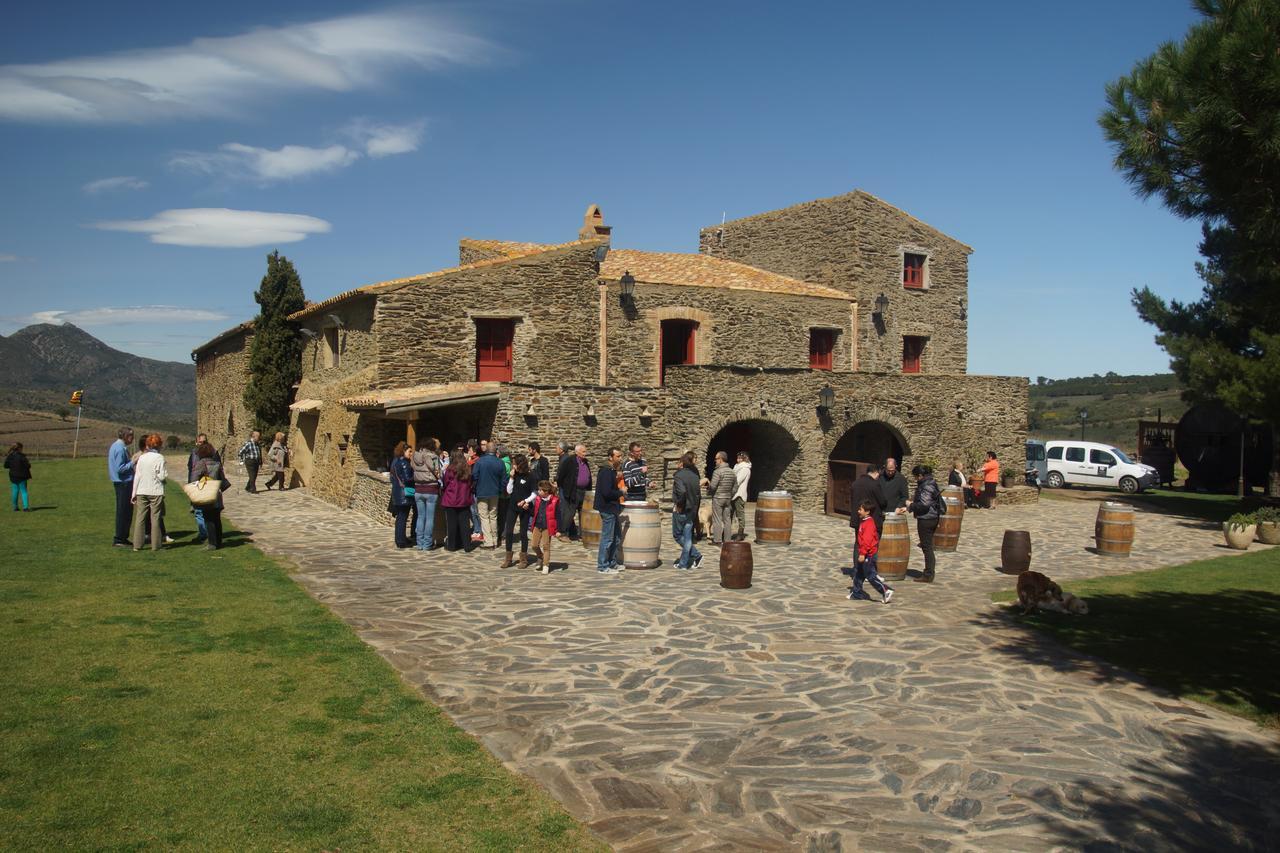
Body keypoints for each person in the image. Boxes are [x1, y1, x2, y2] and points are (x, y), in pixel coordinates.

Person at [904, 464, 944, 583]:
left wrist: (910, 506)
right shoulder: (931, 482)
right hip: (932, 517)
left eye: (916, 477)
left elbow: (924, 504)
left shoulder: (926, 486)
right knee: (928, 546)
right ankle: (929, 572)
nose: (916, 479)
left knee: (927, 547)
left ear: (921, 476)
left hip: (927, 519)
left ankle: (928, 574)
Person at [850, 498, 893, 603]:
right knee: (858, 575)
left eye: (860, 510)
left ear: (867, 511)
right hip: (865, 553)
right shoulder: (864, 522)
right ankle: (857, 593)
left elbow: (867, 541)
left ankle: (885, 590)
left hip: (868, 554)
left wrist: (863, 553)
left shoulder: (869, 524)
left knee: (871, 576)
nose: (858, 511)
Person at [190, 441, 230, 549]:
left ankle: (212, 543)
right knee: (217, 518)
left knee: (208, 519)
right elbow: (223, 480)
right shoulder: (217, 464)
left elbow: (194, 479)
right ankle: (219, 541)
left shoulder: (201, 464)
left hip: (206, 493)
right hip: (217, 493)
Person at [130, 434, 167, 551]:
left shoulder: (142, 457)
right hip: (155, 490)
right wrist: (165, 475)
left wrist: (133, 493)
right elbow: (161, 476)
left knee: (140, 518)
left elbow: (138, 475)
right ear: (159, 445)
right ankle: (156, 545)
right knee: (155, 518)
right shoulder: (159, 458)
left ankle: (137, 545)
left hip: (141, 490)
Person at [670, 452, 704, 570]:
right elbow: (698, 494)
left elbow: (682, 492)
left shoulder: (679, 476)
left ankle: (695, 555)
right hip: (692, 510)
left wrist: (679, 504)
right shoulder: (695, 476)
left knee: (678, 535)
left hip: (682, 509)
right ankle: (684, 564)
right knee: (688, 536)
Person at [594, 447, 625, 574]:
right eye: (618, 456)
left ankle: (612, 563)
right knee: (607, 538)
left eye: (620, 456)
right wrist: (621, 492)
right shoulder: (606, 472)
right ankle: (602, 565)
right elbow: (606, 492)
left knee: (617, 537)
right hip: (607, 508)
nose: (620, 458)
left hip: (613, 508)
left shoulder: (612, 471)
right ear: (610, 457)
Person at [502, 453, 536, 568]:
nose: (513, 466)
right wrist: (511, 478)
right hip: (513, 506)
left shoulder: (530, 476)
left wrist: (526, 501)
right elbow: (509, 491)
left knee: (523, 533)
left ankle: (523, 559)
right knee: (509, 532)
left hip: (525, 507)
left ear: (520, 464)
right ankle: (508, 558)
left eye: (515, 464)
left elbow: (534, 493)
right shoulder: (514, 475)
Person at [441, 450, 475, 552]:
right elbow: (470, 483)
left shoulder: (450, 470)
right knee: (464, 524)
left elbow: (445, 482)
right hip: (464, 499)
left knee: (452, 524)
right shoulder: (467, 470)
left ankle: (452, 545)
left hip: (451, 499)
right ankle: (467, 545)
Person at [471, 443, 505, 550]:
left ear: (486, 450)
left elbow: (474, 476)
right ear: (495, 451)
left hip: (482, 492)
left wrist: (474, 489)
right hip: (494, 492)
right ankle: (495, 539)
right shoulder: (500, 462)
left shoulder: (480, 461)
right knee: (493, 516)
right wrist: (500, 490)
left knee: (484, 517)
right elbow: (504, 479)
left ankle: (489, 542)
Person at [411, 438, 443, 551]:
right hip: (431, 489)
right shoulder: (433, 456)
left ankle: (419, 543)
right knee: (429, 518)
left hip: (418, 488)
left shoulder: (415, 456)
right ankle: (427, 543)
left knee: (420, 517)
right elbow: (438, 471)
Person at [556, 443, 592, 541]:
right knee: (570, 512)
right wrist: (564, 488)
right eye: (583, 451)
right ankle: (563, 533)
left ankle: (581, 534)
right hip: (573, 491)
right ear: (577, 452)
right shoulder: (569, 461)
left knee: (583, 513)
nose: (585, 453)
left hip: (583, 491)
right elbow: (561, 476)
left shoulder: (585, 462)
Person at [189, 433, 220, 542]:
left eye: (204, 442)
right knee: (214, 516)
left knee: (207, 517)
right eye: (200, 442)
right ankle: (216, 539)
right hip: (214, 490)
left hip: (205, 490)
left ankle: (209, 539)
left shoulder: (203, 462)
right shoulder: (216, 463)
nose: (202, 444)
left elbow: (193, 476)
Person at [108, 427, 136, 547]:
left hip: (121, 482)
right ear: (125, 436)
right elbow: (120, 469)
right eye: (131, 436)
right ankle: (119, 538)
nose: (132, 438)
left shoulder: (116, 446)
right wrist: (133, 462)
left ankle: (123, 537)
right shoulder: (120, 449)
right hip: (123, 483)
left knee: (125, 511)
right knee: (123, 511)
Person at [389, 441, 415, 549]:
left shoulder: (395, 461)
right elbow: (407, 478)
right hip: (404, 494)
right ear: (403, 451)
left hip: (397, 493)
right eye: (409, 451)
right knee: (403, 518)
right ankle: (401, 541)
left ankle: (400, 538)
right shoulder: (404, 462)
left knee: (400, 518)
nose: (411, 454)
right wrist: (415, 475)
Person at [529, 480, 558, 574]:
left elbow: (558, 515)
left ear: (546, 491)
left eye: (540, 490)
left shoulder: (554, 500)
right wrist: (528, 507)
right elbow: (534, 512)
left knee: (546, 546)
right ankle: (540, 557)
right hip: (537, 525)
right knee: (534, 545)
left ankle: (546, 565)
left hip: (547, 526)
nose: (538, 491)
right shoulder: (538, 499)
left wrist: (559, 529)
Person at [706, 451, 735, 545]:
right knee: (727, 520)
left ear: (721, 459)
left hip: (718, 498)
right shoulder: (732, 471)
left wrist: (708, 490)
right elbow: (736, 486)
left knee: (717, 519)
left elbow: (713, 486)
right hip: (728, 498)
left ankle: (717, 540)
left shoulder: (717, 471)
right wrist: (730, 495)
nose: (715, 461)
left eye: (716, 459)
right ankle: (727, 540)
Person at [849, 463, 886, 534]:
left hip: (858, 518)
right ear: (876, 472)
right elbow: (882, 502)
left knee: (859, 541)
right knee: (872, 542)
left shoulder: (855, 483)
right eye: (879, 474)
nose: (878, 476)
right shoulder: (875, 484)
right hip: (872, 520)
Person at [731, 451, 752, 540]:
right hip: (732, 493)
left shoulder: (745, 469)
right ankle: (727, 532)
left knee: (740, 514)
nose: (738, 460)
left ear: (744, 459)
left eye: (740, 458)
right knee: (730, 513)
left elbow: (737, 480)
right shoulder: (736, 467)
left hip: (739, 494)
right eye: (738, 458)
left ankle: (740, 533)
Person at [5, 442, 32, 511]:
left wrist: (12, 466)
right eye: (22, 448)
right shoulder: (22, 456)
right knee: (24, 491)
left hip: (13, 476)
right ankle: (25, 507)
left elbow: (5, 466)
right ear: (19, 448)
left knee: (15, 491)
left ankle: (15, 507)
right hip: (22, 476)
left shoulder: (10, 456)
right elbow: (28, 465)